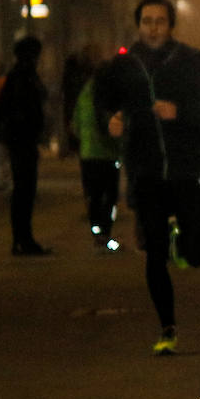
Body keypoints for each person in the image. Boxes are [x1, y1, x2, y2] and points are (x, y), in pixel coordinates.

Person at [96, 0, 200, 354]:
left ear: (171, 25)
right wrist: (112, 121)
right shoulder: (122, 66)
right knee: (154, 252)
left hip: (185, 168)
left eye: (160, 21)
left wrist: (180, 112)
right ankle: (167, 328)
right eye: (147, 21)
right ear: (138, 24)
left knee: (195, 251)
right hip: (145, 170)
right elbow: (102, 104)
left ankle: (186, 241)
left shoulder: (191, 61)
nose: (153, 27)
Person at [0, 36, 50, 255]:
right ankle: (22, 239)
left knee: (23, 191)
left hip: (20, 141)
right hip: (22, 142)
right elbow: (26, 109)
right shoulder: (22, 77)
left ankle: (22, 238)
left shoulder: (18, 75)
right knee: (24, 191)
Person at [71, 43, 122, 252]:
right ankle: (107, 236)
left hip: (88, 154)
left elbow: (74, 124)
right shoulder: (111, 94)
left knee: (93, 195)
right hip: (109, 154)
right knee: (109, 197)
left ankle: (97, 234)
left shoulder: (84, 92)